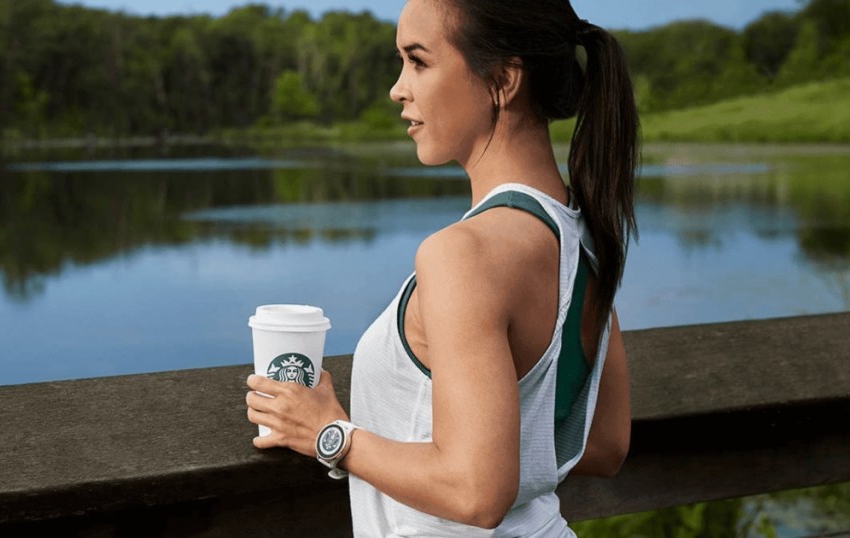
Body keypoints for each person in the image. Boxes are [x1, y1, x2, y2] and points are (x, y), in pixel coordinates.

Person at [245, 0, 636, 535]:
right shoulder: (587, 235)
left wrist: (328, 432)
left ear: (502, 80)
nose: (397, 88)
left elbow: (475, 491)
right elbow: (603, 444)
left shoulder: (463, 255)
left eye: (419, 61)